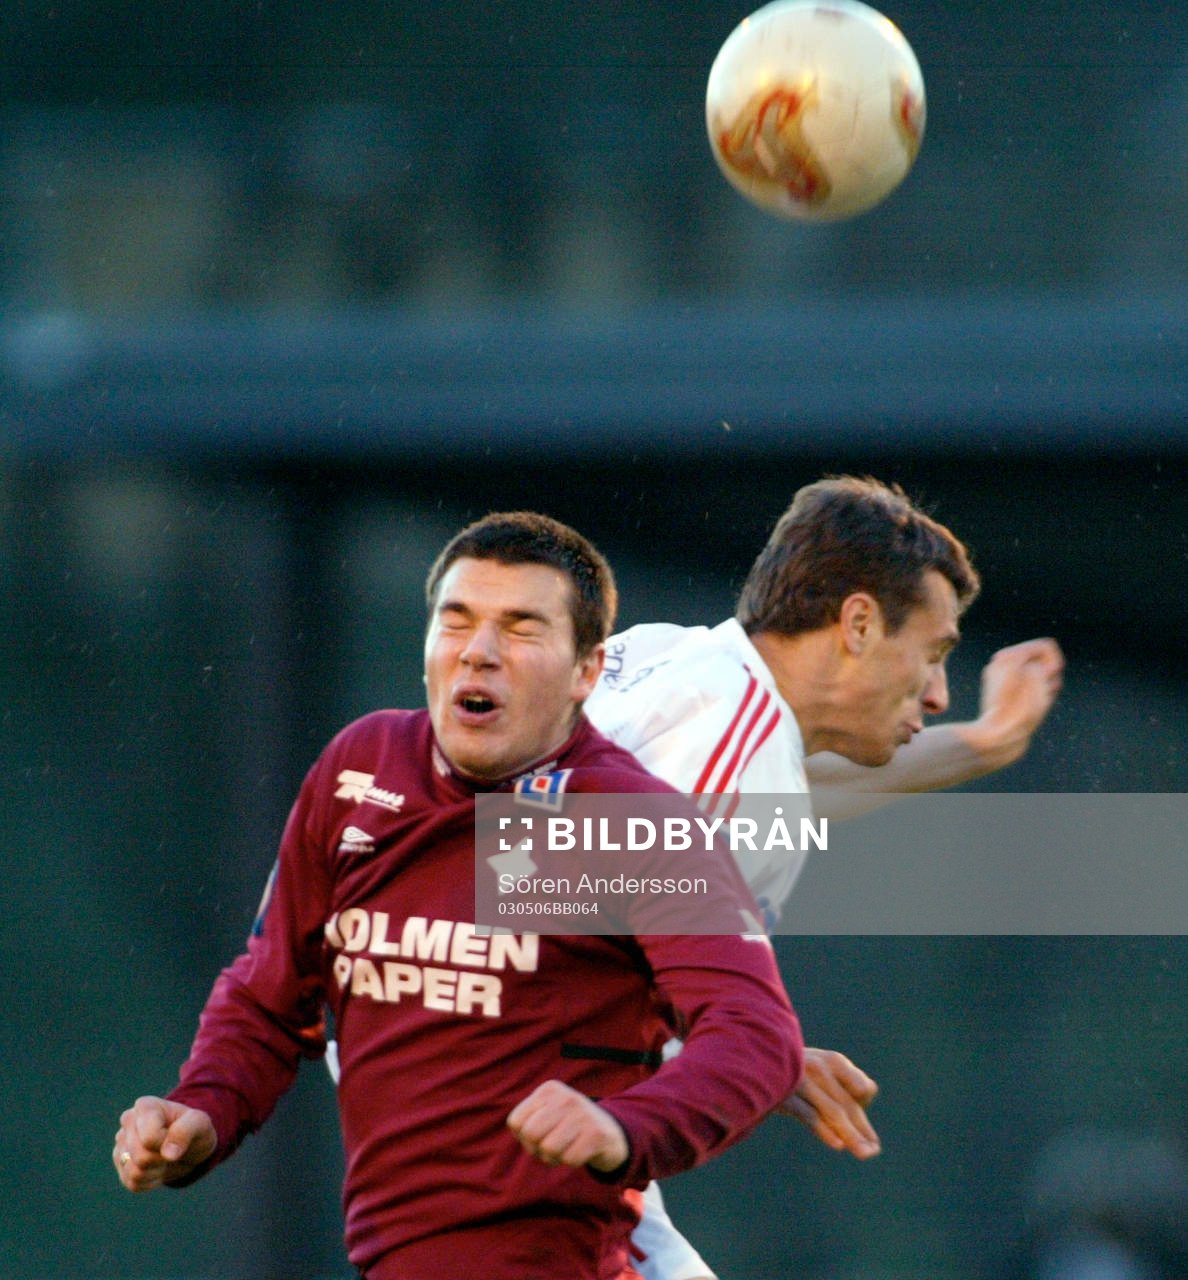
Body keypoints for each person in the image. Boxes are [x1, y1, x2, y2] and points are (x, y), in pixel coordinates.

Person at [111, 512, 805, 1280]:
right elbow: (271, 995)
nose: (479, 651)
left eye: (520, 628)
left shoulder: (624, 821)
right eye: (457, 621)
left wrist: (622, 1127)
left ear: (586, 671)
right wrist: (204, 1109)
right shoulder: (361, 767)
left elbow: (755, 1036)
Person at [584, 474, 1065, 1280]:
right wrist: (750, 1043)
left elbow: (802, 790)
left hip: (498, 1102)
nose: (940, 692)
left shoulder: (683, 661)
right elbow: (535, 893)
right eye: (935, 653)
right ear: (860, 623)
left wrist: (984, 745)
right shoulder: (725, 742)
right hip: (516, 1124)